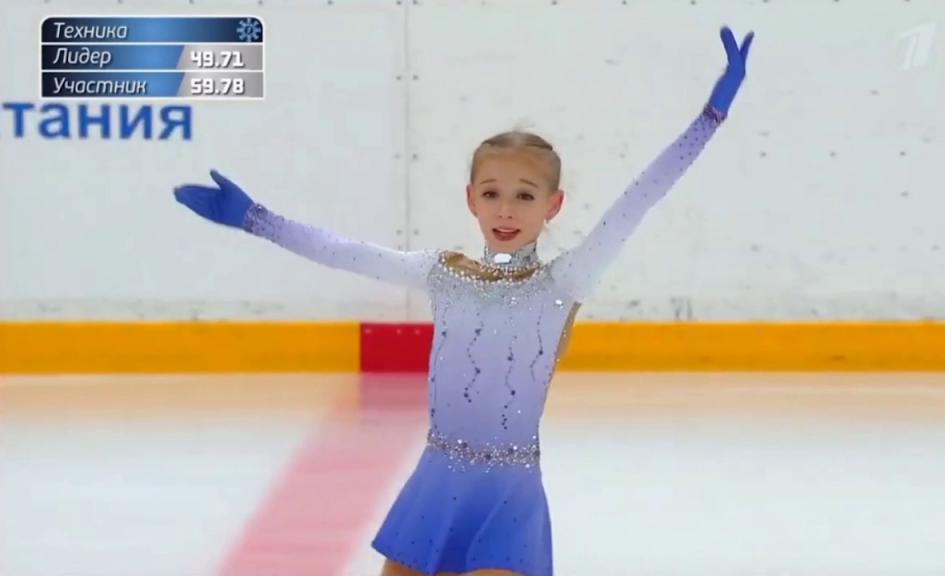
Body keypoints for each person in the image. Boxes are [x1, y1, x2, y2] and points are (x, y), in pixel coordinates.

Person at [174, 25, 753, 576]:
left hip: (509, 492)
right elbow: (345, 253)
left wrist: (711, 117)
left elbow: (641, 197)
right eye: (493, 193)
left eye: (525, 195)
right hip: (437, 478)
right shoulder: (443, 273)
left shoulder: (564, 282)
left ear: (552, 206)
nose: (507, 210)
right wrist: (255, 219)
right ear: (471, 199)